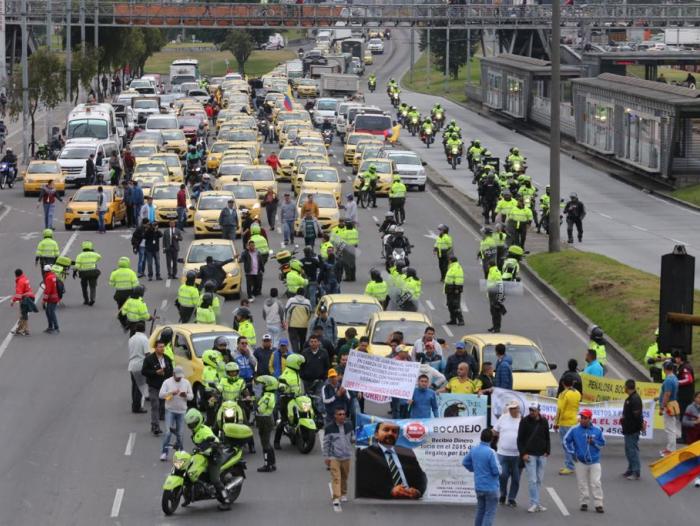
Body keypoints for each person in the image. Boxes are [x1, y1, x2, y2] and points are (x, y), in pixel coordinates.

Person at [356, 421, 427, 499]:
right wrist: (390, 491)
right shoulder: (366, 454)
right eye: (386, 430)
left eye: (394, 431)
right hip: (384, 501)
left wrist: (418, 491)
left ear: (397, 436)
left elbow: (421, 476)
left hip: (410, 501)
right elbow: (364, 481)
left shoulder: (406, 452)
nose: (390, 433)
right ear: (376, 434)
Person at [184, 408, 231, 509]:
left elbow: (215, 442)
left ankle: (226, 501)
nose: (191, 427)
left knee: (214, 479)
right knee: (189, 470)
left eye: (193, 424)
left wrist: (213, 444)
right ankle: (188, 497)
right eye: (189, 425)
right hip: (204, 454)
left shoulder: (205, 431)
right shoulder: (197, 430)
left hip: (214, 456)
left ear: (199, 421)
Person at [564, 409, 606, 513]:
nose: (582, 420)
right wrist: (572, 453)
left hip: (595, 461)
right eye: (581, 417)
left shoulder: (597, 430)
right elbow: (565, 441)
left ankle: (598, 504)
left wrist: (593, 442)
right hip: (580, 461)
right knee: (582, 483)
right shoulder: (574, 429)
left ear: (590, 419)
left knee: (596, 482)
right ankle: (584, 503)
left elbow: (602, 444)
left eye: (584, 418)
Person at [463, 428, 501, 526]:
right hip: (491, 487)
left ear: (481, 437)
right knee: (489, 513)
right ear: (491, 439)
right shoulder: (491, 452)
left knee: (480, 511)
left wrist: (473, 469)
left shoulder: (474, 449)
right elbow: (496, 470)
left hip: (479, 486)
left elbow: (465, 462)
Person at [518, 402, 550, 513]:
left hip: (542, 455)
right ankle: (534, 503)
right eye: (530, 410)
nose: (531, 412)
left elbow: (547, 437)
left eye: (534, 410)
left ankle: (536, 503)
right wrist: (523, 454)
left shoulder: (544, 421)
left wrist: (547, 451)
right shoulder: (524, 421)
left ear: (538, 410)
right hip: (529, 455)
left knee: (539, 480)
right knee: (532, 480)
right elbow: (520, 440)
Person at [159, 366, 193, 461]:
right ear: (173, 374)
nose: (179, 378)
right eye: (177, 376)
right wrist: (171, 393)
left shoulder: (186, 383)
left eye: (180, 376)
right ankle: (164, 453)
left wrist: (185, 395)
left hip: (182, 411)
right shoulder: (167, 382)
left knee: (180, 434)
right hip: (170, 410)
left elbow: (191, 397)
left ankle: (180, 453)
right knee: (168, 433)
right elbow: (161, 395)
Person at [492, 400, 522, 507]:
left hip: (518, 455)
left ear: (518, 409)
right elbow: (495, 431)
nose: (513, 410)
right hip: (502, 453)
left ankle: (512, 498)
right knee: (503, 475)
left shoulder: (522, 420)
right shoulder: (503, 417)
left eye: (515, 408)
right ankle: (503, 494)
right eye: (511, 408)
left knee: (516, 478)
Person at [142, 341, 173, 436]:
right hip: (153, 386)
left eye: (163, 347)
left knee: (164, 405)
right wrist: (156, 372)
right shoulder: (149, 359)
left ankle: (161, 418)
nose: (162, 349)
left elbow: (171, 371)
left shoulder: (167, 359)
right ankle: (155, 426)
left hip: (165, 387)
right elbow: (144, 371)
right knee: (155, 405)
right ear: (155, 348)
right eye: (160, 347)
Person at [553, 375, 581, 475]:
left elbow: (560, 409)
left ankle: (570, 466)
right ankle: (572, 463)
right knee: (572, 444)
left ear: (563, 383)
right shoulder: (577, 393)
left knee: (566, 444)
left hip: (565, 422)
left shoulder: (564, 394)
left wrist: (556, 423)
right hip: (574, 421)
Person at [620, 379, 644, 480]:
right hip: (628, 428)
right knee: (628, 450)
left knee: (632, 450)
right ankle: (630, 469)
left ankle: (636, 471)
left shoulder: (635, 399)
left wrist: (641, 425)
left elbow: (637, 415)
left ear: (627, 387)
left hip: (632, 429)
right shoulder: (630, 398)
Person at [254, 375, 278, 473]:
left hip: (265, 420)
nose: (260, 386)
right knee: (267, 443)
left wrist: (255, 403)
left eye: (262, 385)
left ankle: (267, 465)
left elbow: (260, 409)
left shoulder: (267, 397)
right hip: (267, 420)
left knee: (265, 444)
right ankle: (272, 463)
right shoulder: (269, 395)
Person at [109, 256, 139, 328]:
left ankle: (124, 323)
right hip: (129, 294)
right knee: (130, 308)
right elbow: (136, 284)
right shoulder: (131, 272)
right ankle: (130, 322)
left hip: (119, 293)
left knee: (121, 308)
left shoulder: (115, 273)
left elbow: (111, 284)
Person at [659, 360, 681, 456]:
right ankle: (670, 448)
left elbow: (667, 394)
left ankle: (671, 450)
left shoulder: (668, 380)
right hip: (673, 404)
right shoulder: (674, 378)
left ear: (665, 369)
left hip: (668, 405)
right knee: (672, 427)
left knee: (670, 428)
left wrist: (662, 407)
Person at [673, 351, 695, 441]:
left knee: (684, 416)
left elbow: (688, 379)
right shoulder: (683, 367)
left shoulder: (685, 368)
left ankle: (685, 437)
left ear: (679, 358)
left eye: (676, 357)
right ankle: (685, 436)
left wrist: (677, 382)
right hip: (684, 395)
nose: (675, 359)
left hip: (685, 396)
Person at [128, 321, 149, 414]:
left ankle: (134, 405)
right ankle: (137, 407)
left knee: (134, 386)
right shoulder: (144, 339)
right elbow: (147, 353)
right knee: (140, 387)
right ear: (144, 329)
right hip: (140, 365)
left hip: (132, 365)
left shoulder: (131, 339)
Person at [73, 240, 102, 305]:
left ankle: (86, 300)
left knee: (84, 287)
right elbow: (99, 257)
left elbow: (77, 266)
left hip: (83, 273)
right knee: (92, 287)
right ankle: (92, 299)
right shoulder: (94, 254)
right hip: (93, 272)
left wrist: (74, 272)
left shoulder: (80, 255)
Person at [681, 391, 700, 488]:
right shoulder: (690, 408)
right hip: (693, 436)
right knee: (696, 457)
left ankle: (698, 477)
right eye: (699, 397)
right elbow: (684, 422)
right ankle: (696, 476)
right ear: (695, 398)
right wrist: (695, 422)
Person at [285, 289, 312, 353]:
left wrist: (286, 321)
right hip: (303, 325)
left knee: (294, 341)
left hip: (293, 325)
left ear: (296, 293)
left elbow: (287, 311)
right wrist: (306, 320)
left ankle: (296, 354)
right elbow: (309, 313)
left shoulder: (291, 301)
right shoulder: (307, 302)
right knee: (302, 341)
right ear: (304, 293)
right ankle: (302, 354)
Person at [11, 269, 37, 336]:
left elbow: (19, 294)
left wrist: (13, 300)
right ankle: (20, 329)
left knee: (23, 315)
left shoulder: (20, 281)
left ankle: (25, 330)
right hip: (30, 297)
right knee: (23, 314)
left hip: (25, 299)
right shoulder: (24, 278)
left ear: (16, 275)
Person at [444, 255, 465, 326]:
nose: (448, 261)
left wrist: (457, 289)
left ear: (451, 260)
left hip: (454, 290)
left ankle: (461, 320)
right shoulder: (452, 266)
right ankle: (453, 320)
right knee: (450, 305)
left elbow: (459, 279)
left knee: (456, 305)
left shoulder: (457, 268)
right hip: (449, 289)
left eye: (449, 260)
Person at [486, 263, 505, 333]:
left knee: (496, 312)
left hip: (495, 294)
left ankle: (497, 328)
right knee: (493, 311)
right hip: (492, 293)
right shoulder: (492, 271)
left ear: (490, 265)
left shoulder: (495, 272)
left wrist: (499, 296)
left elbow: (499, 284)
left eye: (488, 265)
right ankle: (494, 326)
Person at [42, 265, 60, 333]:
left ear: (45, 271)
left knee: (51, 312)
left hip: (51, 298)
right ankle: (50, 327)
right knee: (48, 312)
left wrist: (44, 300)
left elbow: (48, 290)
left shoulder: (48, 278)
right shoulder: (53, 276)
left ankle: (56, 327)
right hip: (55, 297)